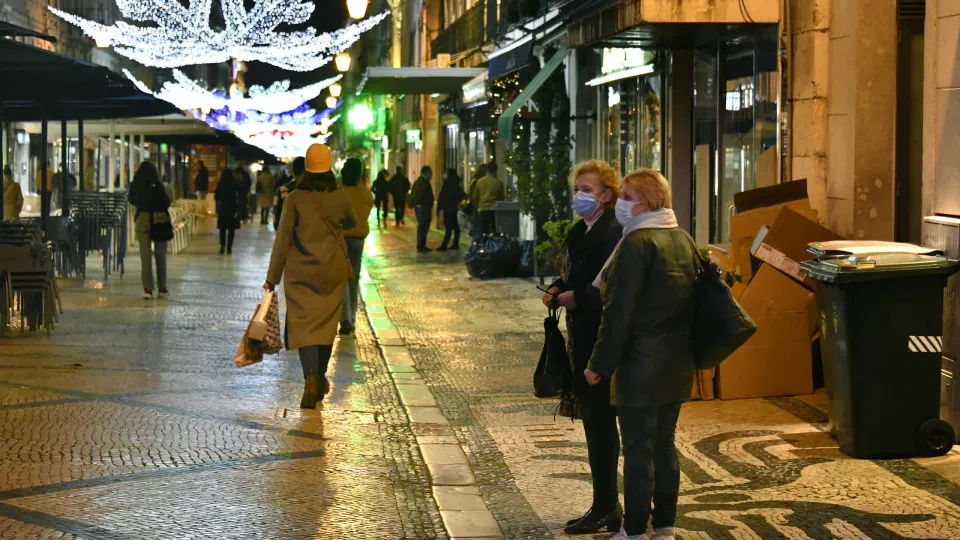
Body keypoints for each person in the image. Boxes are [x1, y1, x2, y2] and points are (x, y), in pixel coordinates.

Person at [584, 168, 696, 540]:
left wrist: (599, 364)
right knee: (664, 446)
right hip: (676, 362)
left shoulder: (636, 243)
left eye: (628, 196)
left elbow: (618, 313)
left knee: (637, 450)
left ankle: (633, 530)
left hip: (640, 364)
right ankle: (664, 525)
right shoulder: (681, 238)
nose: (622, 203)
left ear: (646, 202)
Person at [541, 160, 623, 534]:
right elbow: (575, 274)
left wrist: (579, 298)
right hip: (581, 341)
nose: (580, 196)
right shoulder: (581, 230)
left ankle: (609, 508)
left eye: (587, 190)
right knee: (595, 425)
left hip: (601, 342)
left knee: (603, 427)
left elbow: (611, 286)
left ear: (607, 195)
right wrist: (559, 288)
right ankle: (603, 504)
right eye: (577, 189)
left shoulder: (614, 232)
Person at [264, 143, 356, 409]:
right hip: (333, 271)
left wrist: (273, 278)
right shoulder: (340, 197)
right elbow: (351, 221)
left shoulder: (295, 199)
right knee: (326, 326)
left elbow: (282, 240)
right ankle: (321, 375)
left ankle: (310, 378)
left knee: (304, 326)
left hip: (300, 273)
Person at [127, 161, 172, 300]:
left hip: (142, 218)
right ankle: (162, 289)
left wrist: (142, 203)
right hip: (158, 219)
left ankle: (148, 289)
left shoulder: (135, 184)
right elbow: (166, 202)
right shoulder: (158, 184)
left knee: (145, 256)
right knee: (160, 254)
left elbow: (131, 199)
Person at [339, 157, 374, 335]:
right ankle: (351, 318)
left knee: (341, 278)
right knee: (353, 279)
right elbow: (368, 206)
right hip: (358, 240)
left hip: (340, 238)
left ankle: (344, 318)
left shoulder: (339, 189)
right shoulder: (364, 192)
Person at [470, 161, 505, 240]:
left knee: (483, 231)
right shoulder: (498, 183)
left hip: (483, 209)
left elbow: (475, 197)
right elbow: (502, 198)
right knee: (494, 231)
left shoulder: (480, 182)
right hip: (494, 211)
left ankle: (484, 246)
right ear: (495, 170)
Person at [215, 168, 242, 255]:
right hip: (232, 209)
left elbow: (216, 196)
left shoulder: (221, 184)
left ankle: (222, 246)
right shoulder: (234, 184)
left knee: (222, 229)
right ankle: (229, 247)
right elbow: (241, 194)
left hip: (223, 209)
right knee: (231, 230)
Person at [436, 168, 465, 251]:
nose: (444, 174)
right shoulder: (455, 183)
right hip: (453, 208)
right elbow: (462, 195)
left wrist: (439, 208)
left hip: (448, 209)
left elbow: (442, 197)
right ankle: (455, 243)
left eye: (445, 173)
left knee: (449, 227)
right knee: (454, 226)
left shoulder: (448, 184)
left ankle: (445, 245)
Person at [408, 165, 435, 252]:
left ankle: (422, 245)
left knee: (423, 227)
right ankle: (421, 246)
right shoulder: (422, 182)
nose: (431, 175)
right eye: (430, 173)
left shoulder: (421, 181)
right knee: (423, 226)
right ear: (426, 173)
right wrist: (417, 204)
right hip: (423, 208)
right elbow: (417, 195)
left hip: (423, 208)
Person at [275, 158, 304, 230]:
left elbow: (276, 215)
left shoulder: (282, 190)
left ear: (292, 170)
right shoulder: (317, 190)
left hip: (289, 232)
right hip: (309, 236)